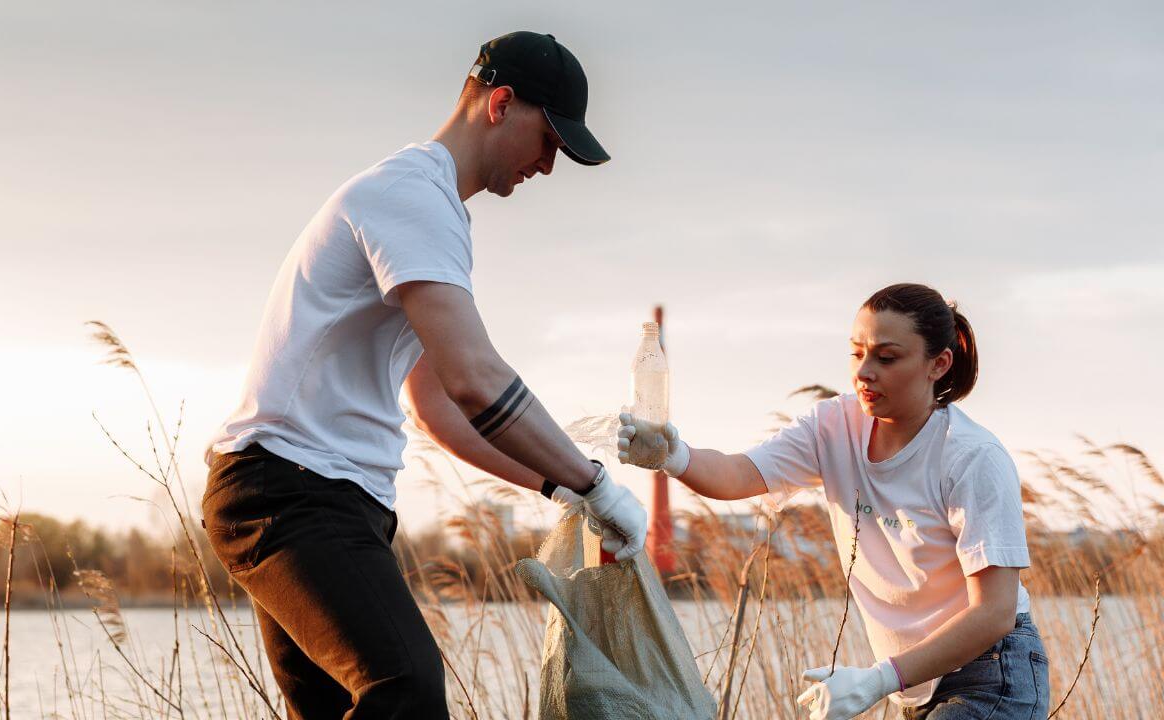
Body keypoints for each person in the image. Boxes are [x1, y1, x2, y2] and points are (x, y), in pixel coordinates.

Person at [201, 31, 647, 720]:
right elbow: (475, 376)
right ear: (500, 103)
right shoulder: (412, 197)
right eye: (549, 141)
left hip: (321, 499)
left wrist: (561, 488)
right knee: (404, 690)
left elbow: (440, 409)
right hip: (289, 492)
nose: (549, 167)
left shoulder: (431, 214)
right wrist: (597, 484)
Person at [618, 283, 1048, 720]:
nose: (864, 371)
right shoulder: (835, 425)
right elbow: (739, 474)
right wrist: (673, 456)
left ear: (938, 364)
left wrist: (877, 680)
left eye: (886, 357)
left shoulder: (972, 457)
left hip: (991, 673)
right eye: (856, 353)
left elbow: (995, 613)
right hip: (914, 685)